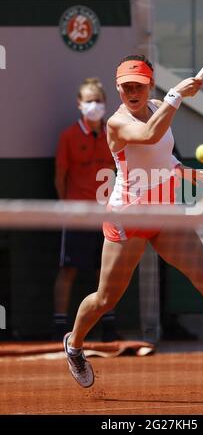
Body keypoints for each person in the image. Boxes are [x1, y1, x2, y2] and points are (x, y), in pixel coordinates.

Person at [63, 55, 203, 388]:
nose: (132, 92)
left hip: (164, 213)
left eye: (138, 85)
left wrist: (180, 170)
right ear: (118, 89)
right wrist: (176, 94)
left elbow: (163, 151)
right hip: (128, 217)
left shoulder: (156, 106)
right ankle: (75, 344)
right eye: (125, 87)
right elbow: (149, 135)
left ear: (150, 84)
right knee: (106, 299)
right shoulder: (117, 122)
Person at [53, 77, 121, 342]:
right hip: (77, 215)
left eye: (99, 101)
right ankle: (60, 327)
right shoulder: (68, 136)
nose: (94, 106)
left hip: (107, 214)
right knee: (67, 270)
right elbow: (60, 176)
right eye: (89, 101)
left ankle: (109, 326)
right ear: (79, 104)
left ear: (105, 104)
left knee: (104, 272)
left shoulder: (113, 133)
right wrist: (66, 208)